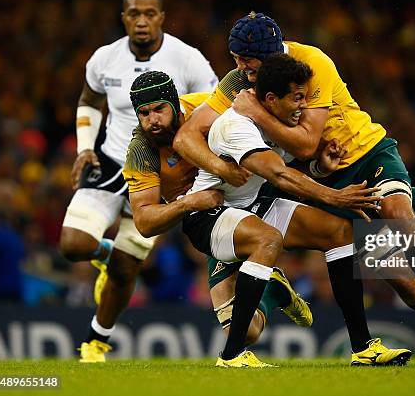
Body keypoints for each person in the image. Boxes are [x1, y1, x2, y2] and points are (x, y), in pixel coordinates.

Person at [173, 12, 415, 365]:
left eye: (245, 60)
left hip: (363, 154)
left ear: (270, 56)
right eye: (235, 59)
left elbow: (307, 142)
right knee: (404, 282)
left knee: (396, 214)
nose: (238, 67)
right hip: (316, 177)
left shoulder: (311, 64)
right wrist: (221, 168)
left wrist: (258, 113)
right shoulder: (242, 83)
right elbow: (188, 135)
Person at [181, 58, 411, 367]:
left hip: (253, 206)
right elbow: (279, 175)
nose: (303, 105)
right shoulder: (236, 125)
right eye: (297, 97)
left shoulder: (282, 122)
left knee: (338, 232)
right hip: (209, 214)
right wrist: (335, 196)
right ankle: (231, 356)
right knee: (268, 240)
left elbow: (291, 166)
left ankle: (363, 348)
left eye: (304, 96)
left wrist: (319, 167)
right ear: (272, 100)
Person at [79, 72, 312, 363]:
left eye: (159, 109)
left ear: (175, 105)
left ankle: (363, 342)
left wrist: (310, 160)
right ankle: (273, 291)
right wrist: (190, 201)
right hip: (207, 218)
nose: (153, 120)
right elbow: (144, 222)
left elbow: (268, 119)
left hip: (249, 197)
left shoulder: (207, 109)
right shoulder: (141, 150)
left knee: (331, 232)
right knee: (247, 330)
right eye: (144, 113)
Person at [61, 0, 219, 362]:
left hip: (158, 176)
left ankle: (96, 341)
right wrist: (85, 148)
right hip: (113, 161)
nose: (142, 20)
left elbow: (214, 108)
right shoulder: (104, 58)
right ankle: (104, 251)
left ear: (162, 16)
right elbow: (88, 100)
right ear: (124, 17)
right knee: (73, 245)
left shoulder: (187, 59)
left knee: (125, 269)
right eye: (134, 13)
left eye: (150, 13)